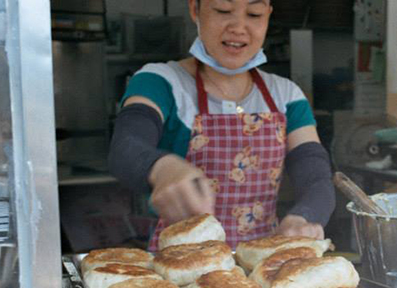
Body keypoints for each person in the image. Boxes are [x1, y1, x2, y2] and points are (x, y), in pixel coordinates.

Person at [108, 0, 336, 251]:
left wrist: (302, 218)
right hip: (179, 265)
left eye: (254, 14)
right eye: (223, 10)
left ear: (268, 17)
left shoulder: (286, 95)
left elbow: (316, 176)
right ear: (195, 9)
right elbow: (126, 145)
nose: (239, 27)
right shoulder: (161, 81)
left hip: (261, 268)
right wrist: (163, 168)